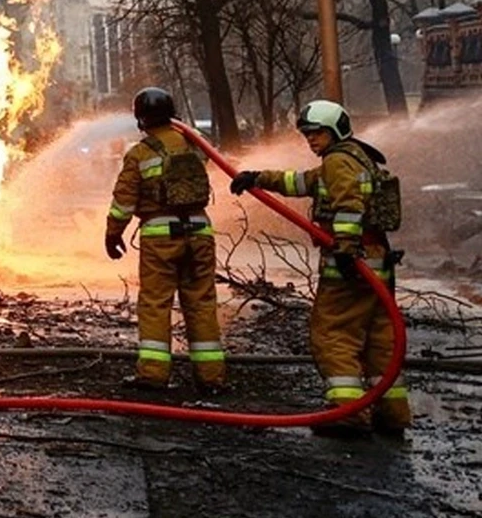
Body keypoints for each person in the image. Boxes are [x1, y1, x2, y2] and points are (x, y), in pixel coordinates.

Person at [231, 100, 409, 437]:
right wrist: (256, 178)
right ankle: (393, 413)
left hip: (351, 264)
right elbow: (299, 182)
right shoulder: (355, 158)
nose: (311, 140)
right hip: (376, 261)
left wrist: (344, 246)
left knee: (335, 334)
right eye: (308, 134)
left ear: (336, 131)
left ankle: (348, 414)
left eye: (317, 133)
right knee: (379, 340)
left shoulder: (339, 162)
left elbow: (348, 206)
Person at [105, 87, 227, 393]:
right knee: (201, 304)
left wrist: (113, 233)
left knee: (156, 305)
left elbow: (123, 202)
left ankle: (154, 374)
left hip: (161, 239)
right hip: (200, 234)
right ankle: (211, 378)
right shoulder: (194, 146)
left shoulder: (140, 154)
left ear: (140, 118)